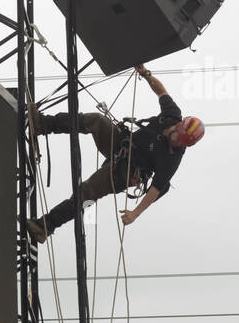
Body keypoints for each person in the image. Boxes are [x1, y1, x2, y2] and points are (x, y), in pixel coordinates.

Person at [26, 64, 204, 242]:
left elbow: (155, 190)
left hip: (125, 172)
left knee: (86, 192)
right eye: (178, 137)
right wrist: (145, 73)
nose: (177, 142)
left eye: (182, 143)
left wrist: (135, 213)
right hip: (122, 144)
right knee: (96, 120)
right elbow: (161, 91)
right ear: (180, 126)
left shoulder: (173, 157)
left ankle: (44, 226)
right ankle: (42, 124)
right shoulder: (172, 115)